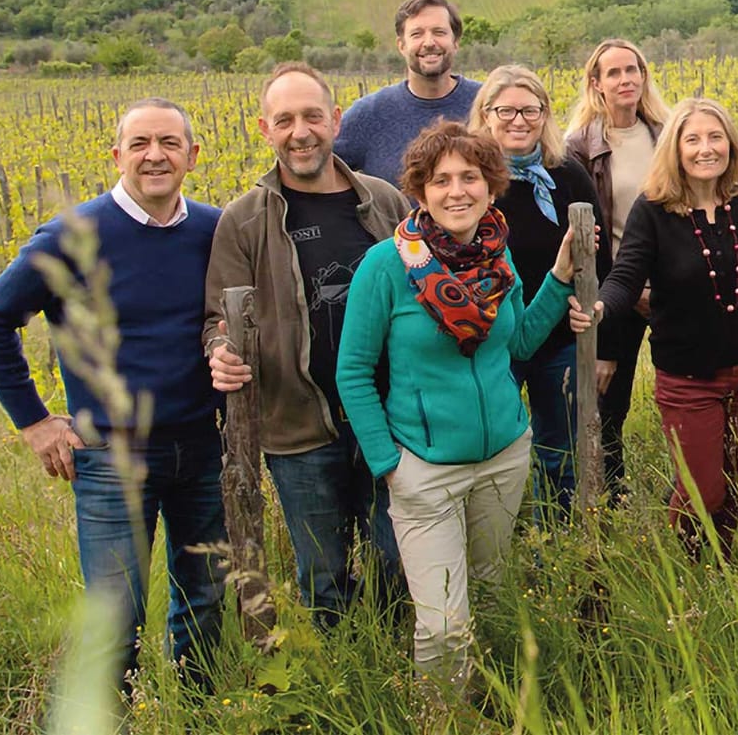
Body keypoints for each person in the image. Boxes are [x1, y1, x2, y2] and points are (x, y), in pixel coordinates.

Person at [0, 99, 224, 686]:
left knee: (206, 599)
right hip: (110, 456)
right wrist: (34, 423)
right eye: (139, 144)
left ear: (192, 155)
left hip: (204, 450)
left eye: (168, 143)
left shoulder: (214, 229)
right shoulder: (73, 235)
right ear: (116, 156)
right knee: (115, 617)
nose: (154, 156)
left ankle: (201, 709)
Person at [335, 122, 596, 685]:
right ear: (420, 190)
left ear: (491, 184)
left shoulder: (497, 259)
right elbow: (352, 373)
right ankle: (445, 714)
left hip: (504, 455)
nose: (457, 191)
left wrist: (558, 279)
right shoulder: (387, 265)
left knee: (492, 585)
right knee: (443, 623)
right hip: (423, 471)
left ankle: (497, 695)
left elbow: (520, 343)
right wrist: (389, 466)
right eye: (441, 180)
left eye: (470, 177)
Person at [204, 63, 410, 629]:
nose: (301, 132)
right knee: (323, 575)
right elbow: (217, 319)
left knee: (399, 559)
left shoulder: (386, 202)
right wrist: (220, 349)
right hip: (297, 427)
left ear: (336, 121)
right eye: (285, 119)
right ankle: (346, 672)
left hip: (387, 419)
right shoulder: (245, 221)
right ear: (265, 129)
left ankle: (396, 667)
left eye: (313, 116)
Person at [597, 98, 738, 555]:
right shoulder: (654, 210)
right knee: (704, 489)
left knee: (736, 480)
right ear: (675, 149)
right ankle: (689, 555)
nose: (706, 149)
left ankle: (719, 566)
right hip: (688, 378)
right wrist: (603, 306)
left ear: (730, 145)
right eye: (693, 139)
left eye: (715, 137)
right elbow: (626, 274)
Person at [469, 65, 609, 514]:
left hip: (560, 337)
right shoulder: (470, 180)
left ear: (545, 114)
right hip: (492, 340)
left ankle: (558, 535)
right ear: (485, 115)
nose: (519, 120)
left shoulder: (566, 174)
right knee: (496, 448)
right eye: (505, 110)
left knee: (560, 448)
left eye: (530, 109)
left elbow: (597, 256)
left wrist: (591, 304)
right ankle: (502, 532)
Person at [564, 36, 667, 499]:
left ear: (643, 76)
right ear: (596, 84)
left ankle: (690, 487)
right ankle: (610, 493)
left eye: (633, 70)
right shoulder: (578, 149)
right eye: (614, 73)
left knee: (686, 389)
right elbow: (585, 238)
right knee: (609, 398)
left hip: (669, 287)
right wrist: (623, 292)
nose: (626, 79)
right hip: (617, 289)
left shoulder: (666, 135)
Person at [337, 0, 483, 185]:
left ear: (455, 42)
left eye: (439, 32)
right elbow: (320, 170)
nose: (429, 43)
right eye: (417, 34)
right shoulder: (368, 114)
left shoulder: (487, 104)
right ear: (401, 46)